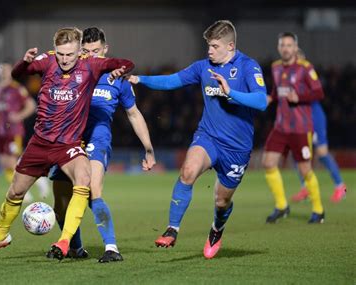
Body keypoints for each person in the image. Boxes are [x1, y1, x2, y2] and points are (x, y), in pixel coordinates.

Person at [0, 27, 134, 261]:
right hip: (40, 143)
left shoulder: (91, 64)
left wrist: (122, 68)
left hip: (67, 145)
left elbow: (127, 62)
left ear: (79, 51)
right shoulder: (47, 61)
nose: (65, 59)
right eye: (61, 54)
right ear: (55, 50)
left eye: (70, 54)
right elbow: (19, 74)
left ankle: (65, 239)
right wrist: (24, 62)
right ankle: (0, 237)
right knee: (15, 191)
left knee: (84, 178)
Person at [128, 20, 267, 259]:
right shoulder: (203, 67)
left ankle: (217, 229)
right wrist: (140, 80)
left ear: (230, 46)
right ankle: (172, 229)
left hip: (237, 147)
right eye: (208, 46)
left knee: (221, 201)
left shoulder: (248, 66)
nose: (209, 51)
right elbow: (173, 80)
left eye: (214, 46)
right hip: (208, 136)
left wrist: (230, 92)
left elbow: (261, 101)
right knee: (188, 172)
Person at [48, 27, 156, 263]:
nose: (91, 56)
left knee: (92, 191)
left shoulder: (117, 78)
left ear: (105, 49)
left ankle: (111, 248)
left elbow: (134, 114)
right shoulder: (70, 71)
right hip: (68, 139)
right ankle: (75, 249)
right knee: (60, 206)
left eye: (96, 51)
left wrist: (148, 148)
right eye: (85, 51)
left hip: (97, 138)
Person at [262, 32, 325, 224]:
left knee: (305, 169)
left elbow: (319, 92)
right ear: (279, 47)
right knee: (268, 162)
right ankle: (282, 206)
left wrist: (300, 98)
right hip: (280, 127)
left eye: (289, 45)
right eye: (283, 45)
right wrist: (270, 97)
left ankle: (319, 210)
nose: (286, 48)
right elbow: (276, 88)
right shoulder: (275, 67)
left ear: (295, 48)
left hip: (300, 128)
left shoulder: (305, 68)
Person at [0, 63, 50, 202]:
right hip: (1, 131)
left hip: (14, 130)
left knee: (12, 161)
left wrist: (19, 116)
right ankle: (20, 187)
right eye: (2, 70)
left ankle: (34, 183)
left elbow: (31, 105)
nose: (4, 73)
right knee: (4, 163)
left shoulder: (16, 89)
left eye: (7, 70)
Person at [291, 49, 347, 203]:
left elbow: (317, 92)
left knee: (322, 154)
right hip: (302, 119)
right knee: (297, 155)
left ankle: (340, 186)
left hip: (314, 118)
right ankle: (306, 188)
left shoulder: (307, 72)